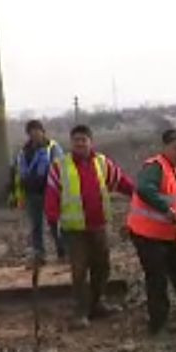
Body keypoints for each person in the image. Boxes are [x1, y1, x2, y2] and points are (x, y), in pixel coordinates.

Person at [44, 124, 135, 328]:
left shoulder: (102, 163)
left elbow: (122, 182)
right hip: (74, 230)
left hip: (98, 226)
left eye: (84, 140)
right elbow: (51, 196)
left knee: (102, 267)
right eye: (76, 140)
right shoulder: (60, 166)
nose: (80, 143)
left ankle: (97, 305)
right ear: (71, 142)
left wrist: (140, 195)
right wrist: (53, 220)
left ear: (90, 142)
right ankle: (80, 312)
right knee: (79, 271)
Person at [128, 128, 176, 336]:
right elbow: (145, 189)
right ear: (165, 147)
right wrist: (165, 207)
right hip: (147, 234)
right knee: (157, 277)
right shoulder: (155, 166)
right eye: (175, 147)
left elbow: (173, 190)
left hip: (165, 233)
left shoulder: (172, 170)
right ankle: (158, 324)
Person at [10, 119, 65, 263]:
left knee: (55, 224)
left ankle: (63, 252)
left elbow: (61, 170)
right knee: (36, 226)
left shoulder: (52, 148)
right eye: (31, 132)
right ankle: (39, 254)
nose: (34, 134)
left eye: (37, 131)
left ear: (43, 131)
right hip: (31, 193)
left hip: (50, 192)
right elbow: (18, 174)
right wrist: (17, 195)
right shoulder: (24, 151)